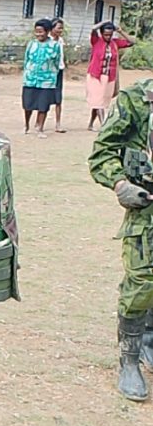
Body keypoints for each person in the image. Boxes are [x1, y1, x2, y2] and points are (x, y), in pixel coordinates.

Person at [88, 80, 153, 401]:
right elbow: (102, 153)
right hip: (148, 211)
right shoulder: (137, 101)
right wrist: (119, 184)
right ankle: (129, 360)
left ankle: (149, 338)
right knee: (142, 283)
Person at [87, 21, 135, 131]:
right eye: (105, 34)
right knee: (99, 101)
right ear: (101, 33)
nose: (108, 37)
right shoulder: (96, 41)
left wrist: (120, 31)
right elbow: (93, 28)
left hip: (109, 76)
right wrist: (106, 22)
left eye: (110, 34)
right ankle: (104, 125)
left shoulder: (115, 43)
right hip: (96, 76)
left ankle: (90, 124)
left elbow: (132, 42)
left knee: (100, 101)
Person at [21, 18, 62, 138]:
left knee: (43, 105)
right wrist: (27, 73)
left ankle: (40, 128)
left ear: (48, 31)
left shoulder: (55, 45)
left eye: (41, 31)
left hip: (47, 81)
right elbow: (26, 60)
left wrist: (51, 76)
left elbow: (56, 62)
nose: (39, 34)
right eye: (36, 31)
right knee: (28, 104)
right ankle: (26, 125)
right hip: (30, 79)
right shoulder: (31, 44)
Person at [52, 18, 67, 133]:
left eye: (61, 28)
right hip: (48, 73)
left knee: (58, 99)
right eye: (58, 28)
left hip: (59, 71)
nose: (60, 30)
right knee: (45, 98)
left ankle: (58, 124)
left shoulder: (60, 40)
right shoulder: (48, 41)